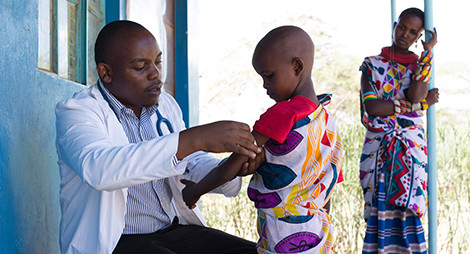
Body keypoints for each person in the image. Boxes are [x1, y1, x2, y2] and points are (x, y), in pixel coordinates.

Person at [55, 20, 263, 254]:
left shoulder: (165, 105)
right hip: (118, 242)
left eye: (158, 62)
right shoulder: (77, 111)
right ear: (106, 73)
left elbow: (188, 164)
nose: (156, 75)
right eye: (140, 67)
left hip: (173, 231)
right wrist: (193, 139)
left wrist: (230, 166)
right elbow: (98, 169)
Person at [181, 25, 343, 254]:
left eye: (269, 75)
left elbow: (233, 163)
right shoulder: (327, 122)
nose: (265, 85)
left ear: (297, 66)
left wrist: (195, 192)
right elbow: (330, 181)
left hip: (282, 231)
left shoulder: (283, 114)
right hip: (317, 229)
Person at [359, 7, 439, 253]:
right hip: (378, 146)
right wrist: (420, 106)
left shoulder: (419, 64)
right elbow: (372, 107)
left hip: (411, 148)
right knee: (378, 208)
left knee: (410, 207)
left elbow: (416, 92)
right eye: (402, 27)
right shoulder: (372, 64)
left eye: (413, 32)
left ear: (417, 38)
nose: (405, 34)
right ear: (395, 25)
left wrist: (428, 53)